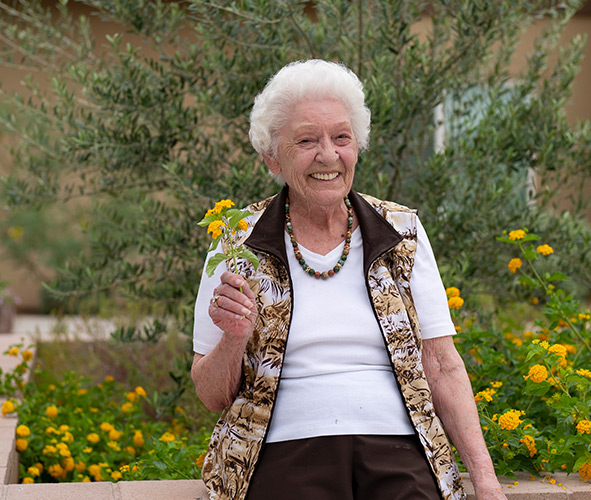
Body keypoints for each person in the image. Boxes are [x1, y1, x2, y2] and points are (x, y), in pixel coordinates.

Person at [191, 59, 506, 500]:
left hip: (398, 448)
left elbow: (442, 365)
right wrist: (234, 338)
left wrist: (486, 482)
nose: (328, 154)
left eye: (341, 137)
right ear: (271, 156)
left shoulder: (401, 232)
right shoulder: (237, 242)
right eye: (306, 140)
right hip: (279, 449)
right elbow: (210, 394)